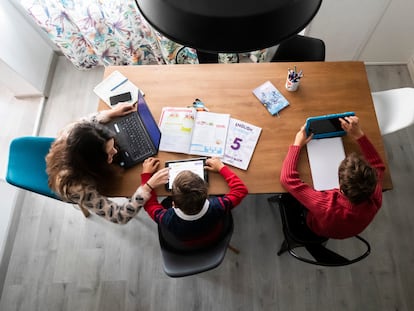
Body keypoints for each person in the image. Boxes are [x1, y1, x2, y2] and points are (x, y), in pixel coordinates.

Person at [46, 103, 169, 224]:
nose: (115, 151)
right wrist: (147, 186)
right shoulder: (77, 188)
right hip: (79, 180)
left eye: (112, 146)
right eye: (109, 153)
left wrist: (112, 113)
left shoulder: (72, 132)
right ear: (94, 161)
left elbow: (87, 122)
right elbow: (119, 216)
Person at [280, 115, 385, 239]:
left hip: (315, 227)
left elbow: (287, 179)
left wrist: (297, 144)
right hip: (348, 228)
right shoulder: (374, 194)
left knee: (290, 196)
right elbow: (378, 166)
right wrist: (359, 135)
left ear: (340, 187)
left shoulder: (326, 205)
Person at [140, 157, 248, 247]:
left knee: (162, 203)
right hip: (214, 235)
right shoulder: (218, 206)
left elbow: (149, 203)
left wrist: (147, 177)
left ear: (173, 204)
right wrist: (221, 167)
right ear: (207, 195)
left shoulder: (166, 219)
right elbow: (241, 190)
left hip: (186, 242)